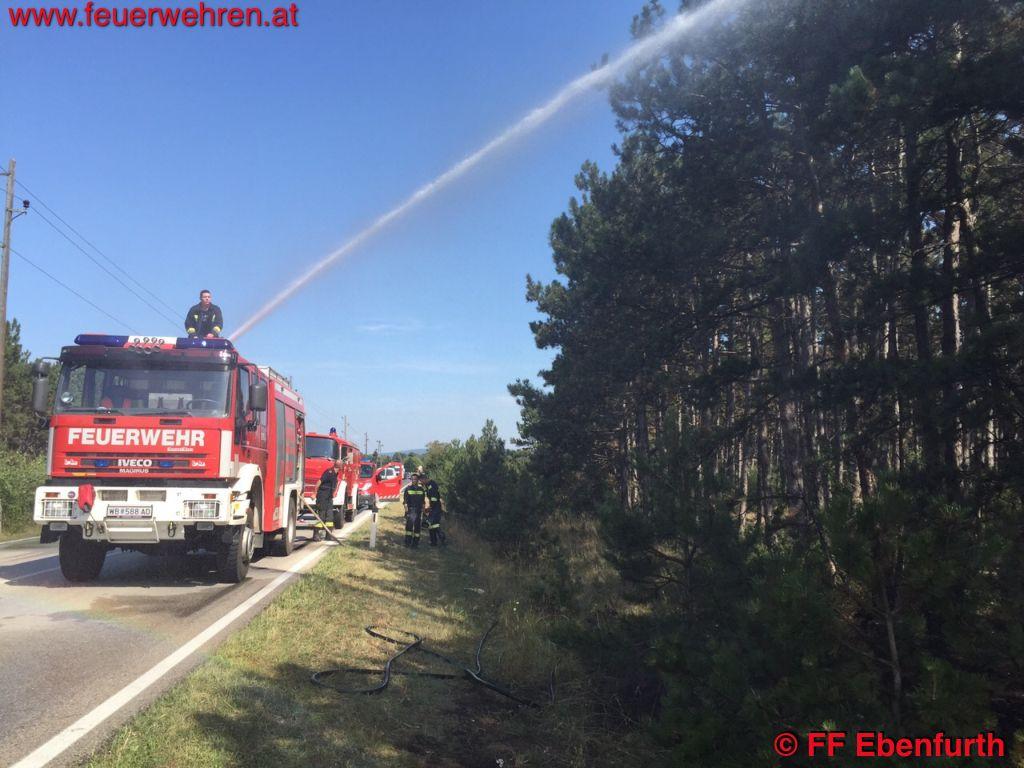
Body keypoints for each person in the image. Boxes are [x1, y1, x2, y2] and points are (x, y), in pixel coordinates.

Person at [316, 459, 343, 537]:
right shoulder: (329, 472)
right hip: (322, 497)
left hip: (329, 498)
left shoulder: (336, 473)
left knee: (330, 517)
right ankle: (316, 534)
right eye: (341, 465)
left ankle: (328, 535)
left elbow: (335, 484)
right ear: (339, 466)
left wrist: (334, 492)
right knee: (322, 516)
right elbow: (319, 481)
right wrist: (314, 493)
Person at [402, 473, 426, 548]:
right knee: (409, 527)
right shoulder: (408, 489)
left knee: (417, 527)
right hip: (411, 510)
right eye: (412, 479)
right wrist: (406, 512)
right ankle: (407, 542)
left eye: (415, 479)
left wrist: (424, 512)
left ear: (418, 480)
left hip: (418, 511)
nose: (413, 480)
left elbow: (423, 502)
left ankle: (415, 544)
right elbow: (405, 502)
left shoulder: (421, 490)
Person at [423, 473, 446, 546]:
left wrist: (430, 507)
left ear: (425, 479)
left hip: (436, 507)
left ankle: (438, 539)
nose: (421, 482)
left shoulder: (432, 485)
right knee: (433, 524)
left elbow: (434, 498)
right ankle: (435, 541)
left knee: (431, 523)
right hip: (435, 507)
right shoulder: (428, 485)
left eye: (422, 480)